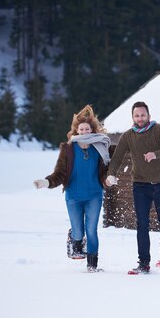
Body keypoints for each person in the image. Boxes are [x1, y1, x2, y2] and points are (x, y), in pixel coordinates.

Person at [105, 101, 160, 274]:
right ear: (132, 117)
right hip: (140, 186)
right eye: (136, 115)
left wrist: (157, 154)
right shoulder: (128, 136)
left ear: (149, 115)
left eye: (143, 115)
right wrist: (112, 174)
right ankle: (143, 262)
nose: (140, 118)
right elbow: (117, 158)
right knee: (142, 225)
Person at [34, 105, 112, 273]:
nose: (84, 132)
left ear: (92, 130)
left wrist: (108, 180)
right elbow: (60, 173)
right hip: (73, 196)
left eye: (87, 129)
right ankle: (74, 238)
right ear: (76, 130)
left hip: (94, 196)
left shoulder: (100, 147)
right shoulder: (68, 148)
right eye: (81, 129)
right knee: (79, 231)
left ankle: (92, 265)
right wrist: (46, 182)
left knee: (91, 230)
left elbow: (106, 171)